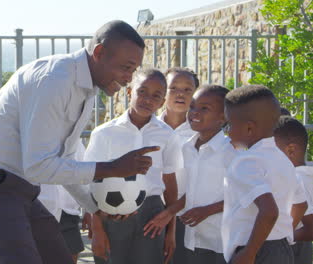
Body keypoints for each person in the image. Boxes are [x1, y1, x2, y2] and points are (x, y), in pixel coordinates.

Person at [0, 20, 158, 264]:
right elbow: (39, 166)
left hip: (18, 186)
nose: (128, 78)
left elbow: (64, 159)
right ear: (99, 53)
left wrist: (95, 207)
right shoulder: (55, 80)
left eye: (133, 70)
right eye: (126, 67)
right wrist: (112, 168)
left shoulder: (86, 90)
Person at [86, 69, 179, 264]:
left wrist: (171, 231)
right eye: (142, 92)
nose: (148, 99)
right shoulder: (104, 133)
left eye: (156, 96)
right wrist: (97, 229)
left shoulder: (167, 135)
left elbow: (169, 182)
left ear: (162, 102)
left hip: (152, 214)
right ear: (129, 92)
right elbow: (90, 180)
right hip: (111, 211)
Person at [222, 85, 308, 264]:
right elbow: (301, 205)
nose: (227, 131)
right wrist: (280, 232)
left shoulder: (245, 162)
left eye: (229, 124)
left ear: (249, 129)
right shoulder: (281, 158)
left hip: (255, 251)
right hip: (281, 249)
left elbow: (269, 211)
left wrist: (249, 253)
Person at [179, 85, 235, 264]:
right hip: (188, 239)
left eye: (204, 108)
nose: (195, 112)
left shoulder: (232, 152)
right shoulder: (184, 148)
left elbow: (243, 196)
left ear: (223, 117)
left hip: (219, 241)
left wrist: (207, 210)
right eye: (192, 106)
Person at [274, 116, 313, 264]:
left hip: (290, 249)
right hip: (300, 245)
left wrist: (283, 235)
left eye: (272, 150)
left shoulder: (296, 179)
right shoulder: (307, 177)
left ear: (291, 150)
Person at [157, 67, 199, 264]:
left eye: (187, 89)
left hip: (186, 215)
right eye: (173, 88)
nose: (180, 94)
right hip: (152, 212)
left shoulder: (201, 135)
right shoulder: (150, 129)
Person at [38, 139, 91, 263]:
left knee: (69, 257)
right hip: (37, 212)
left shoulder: (75, 142)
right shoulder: (26, 137)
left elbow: (84, 176)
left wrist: (89, 210)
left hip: (68, 214)